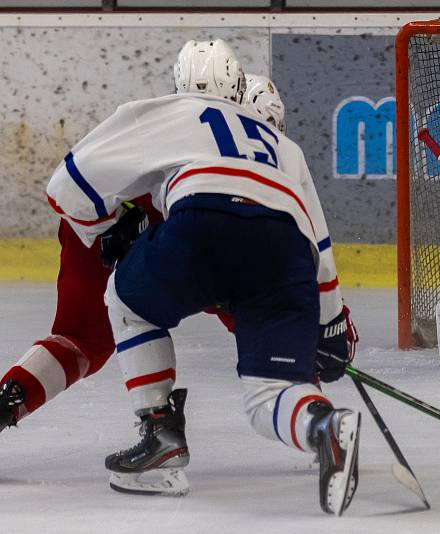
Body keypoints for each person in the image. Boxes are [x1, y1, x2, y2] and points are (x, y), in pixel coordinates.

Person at [42, 39, 360, 516]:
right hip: (285, 248)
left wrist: (111, 229)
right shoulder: (283, 146)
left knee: (126, 302)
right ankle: (324, 426)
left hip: (204, 220)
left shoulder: (169, 111)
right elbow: (319, 248)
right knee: (269, 394)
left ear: (178, 84)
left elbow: (65, 187)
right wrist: (330, 326)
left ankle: (159, 434)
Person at [0, 71, 296, 433]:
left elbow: (77, 182)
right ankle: (159, 426)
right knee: (216, 299)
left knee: (80, 340)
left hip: (94, 219)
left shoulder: (173, 116)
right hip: (168, 229)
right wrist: (302, 338)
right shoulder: (252, 159)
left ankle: (7, 401)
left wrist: (109, 222)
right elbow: (246, 291)